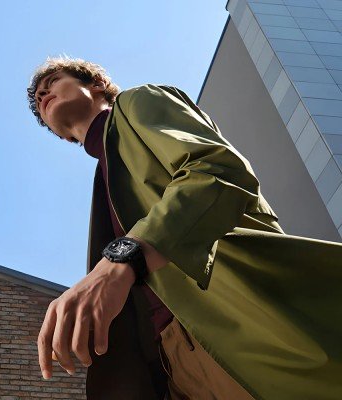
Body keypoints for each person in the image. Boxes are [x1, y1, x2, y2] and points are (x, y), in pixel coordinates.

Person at [28, 56, 342, 400]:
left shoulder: (137, 102)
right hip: (174, 368)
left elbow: (217, 171)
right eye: (39, 99)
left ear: (97, 85)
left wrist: (123, 257)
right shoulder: (103, 178)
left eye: (53, 82)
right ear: (60, 135)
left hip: (235, 323)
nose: (43, 95)